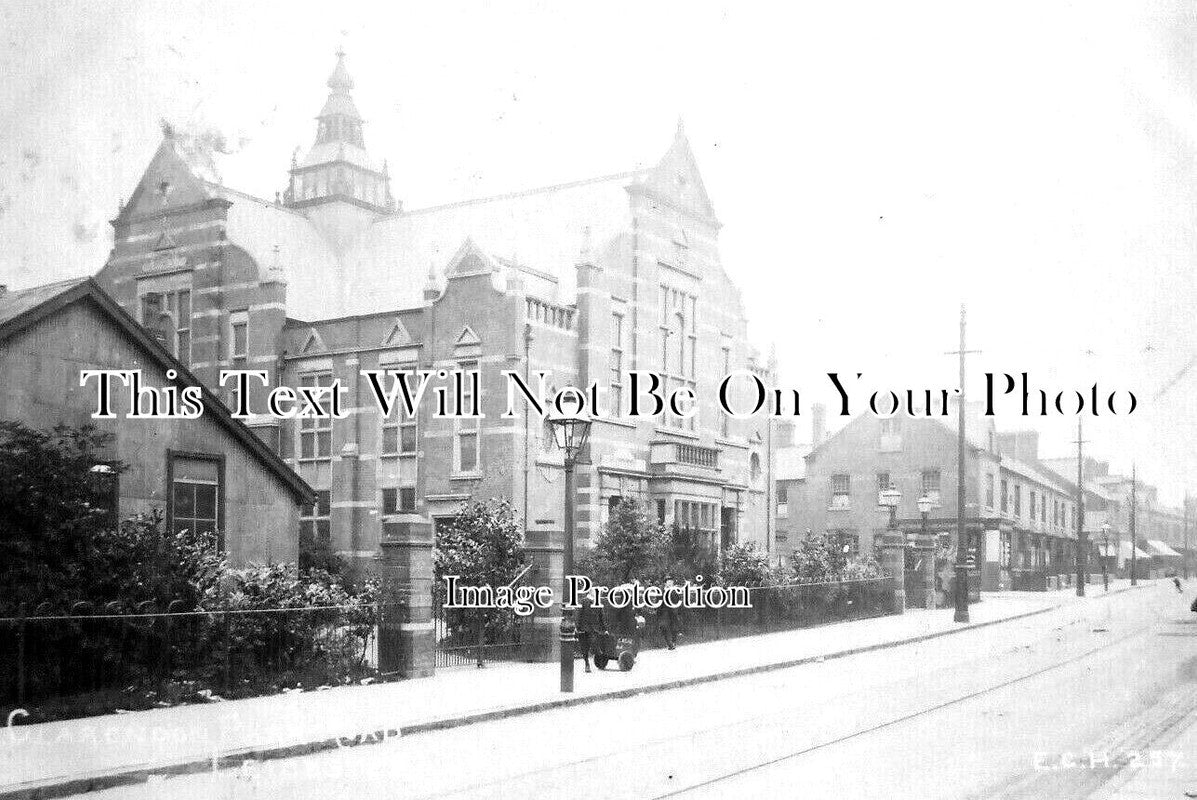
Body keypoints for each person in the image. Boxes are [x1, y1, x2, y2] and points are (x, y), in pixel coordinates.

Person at [575, 593, 603, 673]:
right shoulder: (583, 601)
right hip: (584, 628)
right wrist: (577, 626)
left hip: (593, 629)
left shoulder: (597, 602)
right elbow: (578, 614)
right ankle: (587, 664)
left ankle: (597, 657)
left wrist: (604, 628)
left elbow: (601, 616)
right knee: (585, 647)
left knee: (593, 644)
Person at [657, 578, 679, 650]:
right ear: (665, 583)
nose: (670, 583)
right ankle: (669, 644)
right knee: (664, 626)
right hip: (664, 611)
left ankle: (673, 641)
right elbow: (658, 600)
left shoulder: (675, 590)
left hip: (673, 611)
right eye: (668, 582)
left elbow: (677, 600)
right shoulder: (661, 590)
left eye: (671, 582)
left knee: (674, 628)